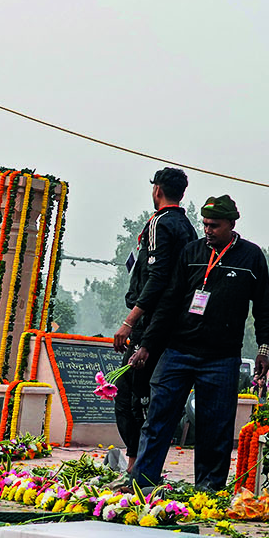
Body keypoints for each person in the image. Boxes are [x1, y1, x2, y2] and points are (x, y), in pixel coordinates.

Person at [129, 195, 269, 491]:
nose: (208, 230)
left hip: (221, 357)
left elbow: (263, 307)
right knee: (157, 419)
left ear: (231, 224)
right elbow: (169, 303)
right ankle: (141, 482)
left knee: (215, 428)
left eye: (214, 225)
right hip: (178, 351)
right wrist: (147, 345)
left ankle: (208, 490)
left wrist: (263, 349)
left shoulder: (251, 257)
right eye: (205, 224)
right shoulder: (191, 252)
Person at [110, 167, 197, 466]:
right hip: (173, 322)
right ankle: (141, 466)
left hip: (152, 324)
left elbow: (158, 278)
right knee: (146, 395)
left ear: (157, 190)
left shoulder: (161, 223)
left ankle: (138, 468)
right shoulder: (188, 227)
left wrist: (130, 321)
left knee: (130, 396)